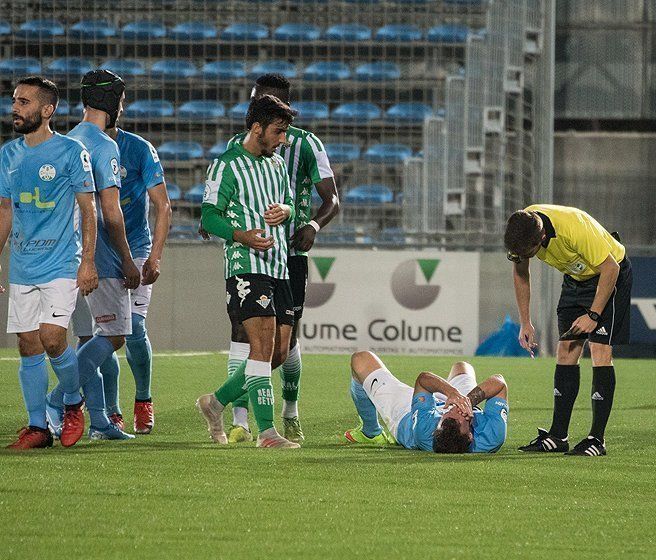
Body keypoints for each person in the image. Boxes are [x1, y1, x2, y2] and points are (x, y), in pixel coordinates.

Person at [207, 73, 339, 445]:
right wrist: (228, 228)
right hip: (247, 260)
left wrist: (305, 220)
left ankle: (238, 405)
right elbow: (214, 205)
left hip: (286, 257)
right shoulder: (233, 154)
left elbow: (326, 198)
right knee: (249, 339)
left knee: (281, 348)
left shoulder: (300, 149)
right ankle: (248, 424)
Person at [195, 94, 300, 449]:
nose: (283, 139)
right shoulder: (226, 165)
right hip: (246, 266)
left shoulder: (277, 165)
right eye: (279, 132)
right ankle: (268, 433)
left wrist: (286, 211)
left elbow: (291, 206)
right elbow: (208, 216)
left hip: (280, 265)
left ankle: (215, 402)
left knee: (279, 353)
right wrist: (241, 236)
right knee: (262, 344)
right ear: (257, 128)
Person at [0, 76, 98, 449]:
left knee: (53, 338)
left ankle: (73, 402)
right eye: (14, 101)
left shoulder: (72, 153)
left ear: (47, 110)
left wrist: (87, 261)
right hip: (24, 263)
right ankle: (38, 427)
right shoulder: (8, 155)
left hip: (61, 262)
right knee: (28, 345)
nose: (15, 108)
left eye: (23, 102)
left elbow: (88, 211)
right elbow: (5, 211)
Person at [69, 96, 171, 434]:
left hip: (135, 249)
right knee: (102, 333)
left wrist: (154, 256)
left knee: (133, 329)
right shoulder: (75, 146)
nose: (123, 109)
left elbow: (163, 205)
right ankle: (109, 413)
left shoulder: (138, 149)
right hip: (92, 251)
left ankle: (143, 400)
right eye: (120, 102)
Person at [46, 69, 139, 440]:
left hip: (63, 253)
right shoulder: (104, 145)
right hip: (97, 254)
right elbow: (111, 213)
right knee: (115, 335)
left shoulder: (66, 141)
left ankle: (99, 421)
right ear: (113, 103)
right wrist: (128, 259)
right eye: (122, 101)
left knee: (89, 337)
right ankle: (59, 398)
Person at [504, 204, 632, 456]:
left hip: (608, 276)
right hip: (576, 280)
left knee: (600, 351)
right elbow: (520, 272)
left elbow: (611, 268)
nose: (521, 256)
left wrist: (594, 315)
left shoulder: (573, 227)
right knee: (566, 350)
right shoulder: (523, 228)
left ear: (541, 239)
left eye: (527, 253)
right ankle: (558, 436)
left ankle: (597, 439)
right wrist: (525, 321)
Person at [343, 351, 509, 454]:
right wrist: (466, 401)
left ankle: (371, 433)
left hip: (406, 414)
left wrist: (451, 394)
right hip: (461, 400)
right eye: (460, 415)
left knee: (360, 359)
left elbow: (423, 381)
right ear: (471, 435)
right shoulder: (492, 436)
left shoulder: (425, 429)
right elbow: (499, 383)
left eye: (447, 415)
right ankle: (459, 395)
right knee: (462, 366)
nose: (453, 410)